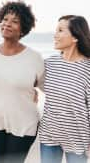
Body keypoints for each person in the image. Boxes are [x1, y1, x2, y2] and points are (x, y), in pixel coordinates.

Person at [0, 0, 44, 163]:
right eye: (5, 19)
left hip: (25, 124)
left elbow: (47, 86)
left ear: (23, 28)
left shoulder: (34, 57)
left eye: (15, 21)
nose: (7, 24)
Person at [38, 15, 90, 163]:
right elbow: (26, 81)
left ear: (75, 37)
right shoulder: (49, 63)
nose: (55, 35)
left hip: (78, 139)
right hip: (49, 135)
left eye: (60, 30)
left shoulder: (87, 69)